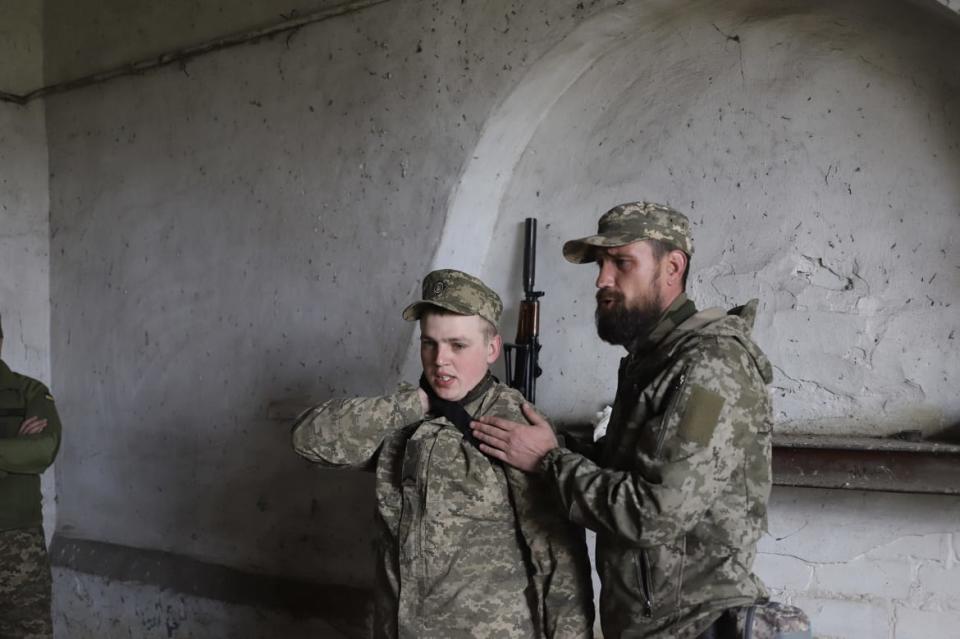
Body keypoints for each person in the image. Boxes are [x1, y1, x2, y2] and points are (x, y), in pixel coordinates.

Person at [471, 202, 786, 638]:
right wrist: (556, 446)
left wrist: (548, 462)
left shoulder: (711, 368)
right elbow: (631, 466)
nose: (602, 279)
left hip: (692, 627)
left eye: (621, 262)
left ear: (672, 266)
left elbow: (654, 513)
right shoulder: (656, 361)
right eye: (601, 265)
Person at [291, 269, 594, 639]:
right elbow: (308, 440)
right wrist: (413, 403)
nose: (440, 360)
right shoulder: (403, 418)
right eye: (429, 344)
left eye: (458, 345)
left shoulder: (515, 428)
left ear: (492, 349)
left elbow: (558, 559)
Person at [0, 313, 62, 639]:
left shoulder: (30, 392)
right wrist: (14, 450)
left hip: (20, 547)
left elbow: (44, 448)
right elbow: (26, 451)